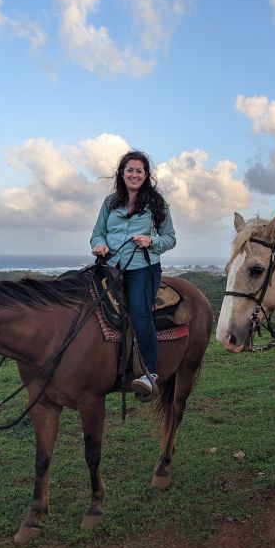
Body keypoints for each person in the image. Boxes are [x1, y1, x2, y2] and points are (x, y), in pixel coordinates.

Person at [90, 150, 176, 397]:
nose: (134, 175)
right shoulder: (110, 202)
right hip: (109, 265)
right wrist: (99, 244)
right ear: (122, 173)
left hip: (142, 267)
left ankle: (150, 374)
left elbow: (170, 238)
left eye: (139, 171)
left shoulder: (157, 204)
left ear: (146, 174)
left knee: (139, 312)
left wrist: (151, 240)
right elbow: (97, 232)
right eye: (130, 170)